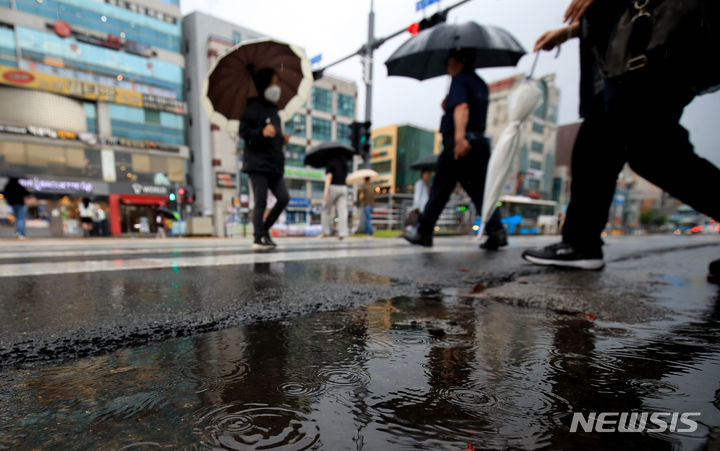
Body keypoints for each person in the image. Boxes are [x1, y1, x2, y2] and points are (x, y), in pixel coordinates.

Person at [523, 0, 720, 279]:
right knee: (621, 146)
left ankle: (581, 243)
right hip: (642, 55)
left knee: (644, 150)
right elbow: (617, 17)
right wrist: (569, 32)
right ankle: (581, 242)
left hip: (651, 54)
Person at [403, 48, 508, 250]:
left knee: (440, 188)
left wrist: (459, 137)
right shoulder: (480, 84)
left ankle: (424, 232)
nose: (447, 66)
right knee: (480, 191)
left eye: (448, 62)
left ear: (457, 61)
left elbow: (462, 107)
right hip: (478, 143)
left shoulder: (459, 80)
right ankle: (496, 230)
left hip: (460, 143)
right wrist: (447, 105)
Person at [239, 67, 291, 251]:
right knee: (260, 201)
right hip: (257, 164)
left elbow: (273, 136)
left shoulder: (274, 111)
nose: (277, 86)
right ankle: (258, 237)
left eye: (277, 83)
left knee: (284, 198)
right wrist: (261, 132)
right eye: (273, 82)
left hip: (274, 165)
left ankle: (263, 230)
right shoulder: (253, 107)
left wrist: (281, 139)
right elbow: (244, 133)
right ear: (264, 85)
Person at [320, 156, 349, 240]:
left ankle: (325, 232)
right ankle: (342, 233)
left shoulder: (331, 162)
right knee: (342, 211)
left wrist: (326, 191)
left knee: (326, 209)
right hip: (343, 188)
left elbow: (329, 176)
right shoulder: (345, 164)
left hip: (333, 187)